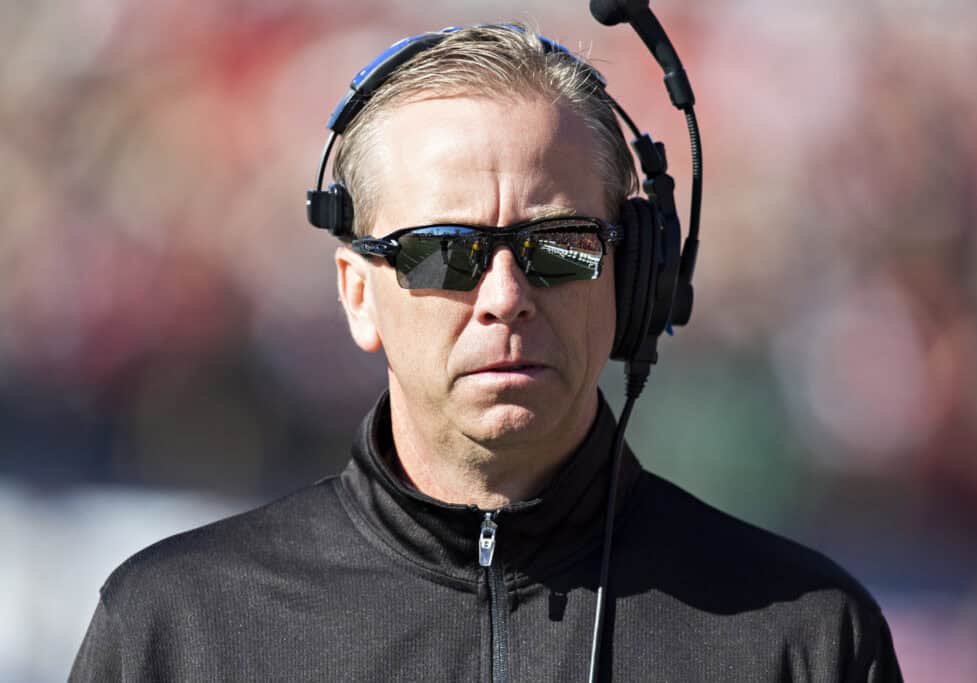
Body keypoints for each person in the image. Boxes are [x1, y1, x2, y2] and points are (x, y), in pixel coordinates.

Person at [71, 24, 902, 682]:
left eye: (561, 244)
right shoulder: (177, 628)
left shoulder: (806, 634)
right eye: (446, 251)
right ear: (358, 292)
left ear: (634, 275)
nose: (506, 294)